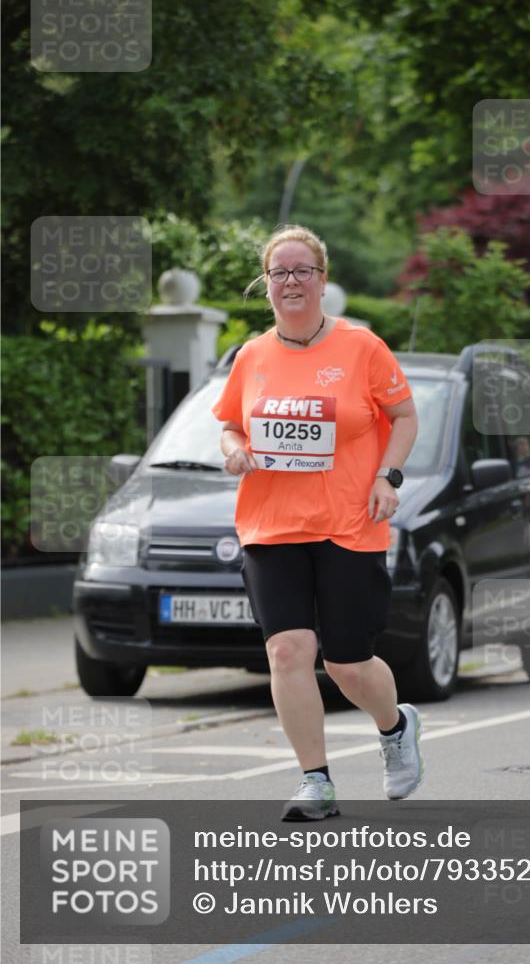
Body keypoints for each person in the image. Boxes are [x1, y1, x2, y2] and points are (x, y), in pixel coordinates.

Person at [211, 224, 423, 821]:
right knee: (287, 650)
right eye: (280, 272)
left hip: (348, 523)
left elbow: (404, 417)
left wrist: (389, 476)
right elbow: (230, 423)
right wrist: (234, 448)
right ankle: (315, 780)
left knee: (348, 662)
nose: (291, 282)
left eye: (303, 270)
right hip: (270, 524)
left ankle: (395, 725)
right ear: (266, 284)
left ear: (323, 280)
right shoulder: (252, 356)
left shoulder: (362, 347)